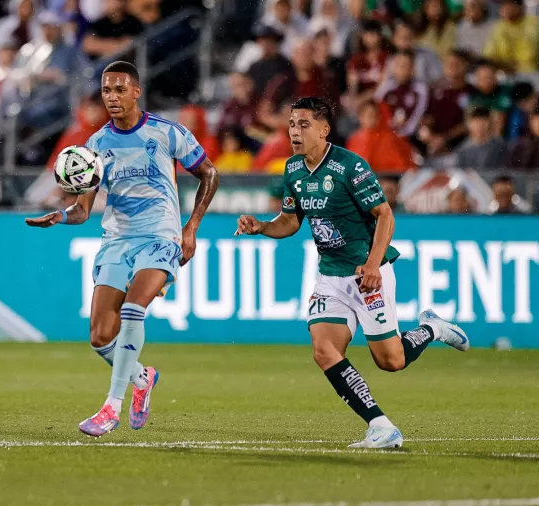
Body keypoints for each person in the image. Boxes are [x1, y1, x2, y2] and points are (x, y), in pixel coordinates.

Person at [235, 96, 469, 450]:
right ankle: (381, 426)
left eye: (304, 125)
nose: (295, 132)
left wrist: (373, 264)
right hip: (330, 276)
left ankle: (432, 328)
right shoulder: (293, 170)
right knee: (324, 349)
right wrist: (262, 227)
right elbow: (290, 221)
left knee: (391, 361)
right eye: (292, 125)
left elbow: (385, 215)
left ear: (324, 130)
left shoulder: (349, 166)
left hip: (366, 273)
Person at [24, 61, 220, 437]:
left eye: (118, 90)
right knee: (100, 336)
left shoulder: (166, 133)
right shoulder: (95, 145)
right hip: (117, 241)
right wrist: (61, 217)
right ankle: (142, 378)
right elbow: (83, 209)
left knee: (134, 309)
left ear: (135, 91)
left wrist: (190, 228)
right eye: (105, 91)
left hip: (161, 236)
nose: (111, 97)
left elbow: (209, 173)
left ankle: (110, 407)